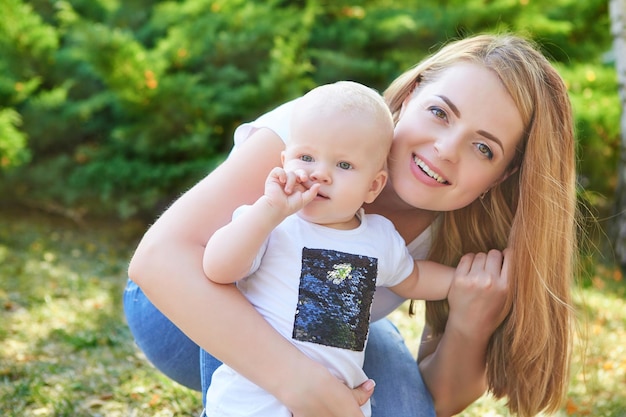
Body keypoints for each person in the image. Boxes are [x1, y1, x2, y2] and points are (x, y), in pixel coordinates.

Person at [125, 33, 577, 417]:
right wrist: (301, 383)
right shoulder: (327, 129)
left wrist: (471, 321)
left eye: (484, 149)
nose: (445, 149)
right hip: (181, 297)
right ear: (411, 94)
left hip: (331, 330)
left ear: (502, 176)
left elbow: (439, 400)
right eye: (440, 113)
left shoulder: (473, 231)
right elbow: (159, 261)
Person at [201, 81, 456, 417]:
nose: (320, 173)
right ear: (284, 160)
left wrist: (463, 282)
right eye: (306, 157)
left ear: (373, 186)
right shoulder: (272, 222)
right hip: (254, 399)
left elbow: (415, 278)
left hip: (333, 402)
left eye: (344, 165)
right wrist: (267, 212)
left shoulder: (379, 238)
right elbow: (218, 269)